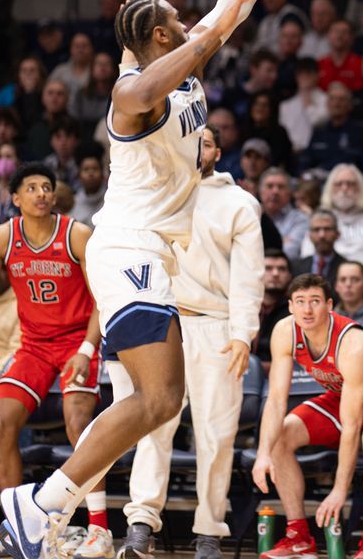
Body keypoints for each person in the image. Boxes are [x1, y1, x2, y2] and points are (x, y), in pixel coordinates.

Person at [0, 0, 313, 559]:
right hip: (126, 249)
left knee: (162, 403)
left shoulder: (178, 63)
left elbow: (221, 12)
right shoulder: (131, 90)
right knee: (157, 398)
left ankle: (41, 505)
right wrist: (218, 28)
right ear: (161, 34)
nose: (188, 16)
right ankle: (42, 506)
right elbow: (202, 36)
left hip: (153, 254)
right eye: (175, 15)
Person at [116, 125, 262, 559]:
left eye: (208, 142)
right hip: (163, 322)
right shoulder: (155, 192)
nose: (199, 148)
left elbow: (249, 277)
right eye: (192, 141)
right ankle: (141, 523)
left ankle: (209, 533)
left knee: (216, 436)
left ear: (218, 150)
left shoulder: (239, 203)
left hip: (216, 327)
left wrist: (242, 335)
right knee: (152, 428)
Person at [0, 164, 107, 559]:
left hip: (77, 341)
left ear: (54, 197)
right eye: (32, 188)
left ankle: (99, 528)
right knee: (3, 422)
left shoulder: (78, 235)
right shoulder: (1, 237)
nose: (41, 193)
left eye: (46, 187)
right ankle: (17, 525)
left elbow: (102, 302)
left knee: (79, 423)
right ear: (16, 198)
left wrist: (87, 350)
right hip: (35, 345)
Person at [253, 274, 363, 559]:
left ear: (329, 305)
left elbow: (351, 426)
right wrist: (262, 453)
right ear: (290, 306)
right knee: (280, 436)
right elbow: (276, 399)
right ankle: (298, 536)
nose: (307, 310)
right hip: (342, 394)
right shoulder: (284, 331)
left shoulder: (352, 343)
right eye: (301, 302)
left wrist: (339, 491)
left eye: (315, 301)